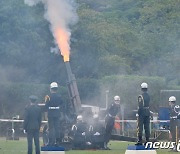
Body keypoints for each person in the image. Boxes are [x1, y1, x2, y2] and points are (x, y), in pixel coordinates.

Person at [44, 82, 63, 146]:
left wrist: (46, 115)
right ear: (56, 89)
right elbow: (61, 104)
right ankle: (57, 142)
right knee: (57, 128)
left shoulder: (48, 96)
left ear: (51, 89)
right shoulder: (59, 96)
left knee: (51, 128)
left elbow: (46, 106)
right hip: (57, 114)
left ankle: (51, 142)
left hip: (51, 114)